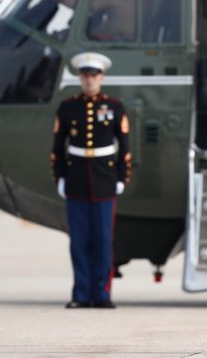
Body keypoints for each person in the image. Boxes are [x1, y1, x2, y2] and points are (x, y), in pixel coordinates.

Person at [50, 52, 131, 309]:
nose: (89, 80)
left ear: (102, 77)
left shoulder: (115, 107)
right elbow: (57, 148)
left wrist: (121, 177)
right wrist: (60, 177)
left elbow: (125, 147)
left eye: (94, 76)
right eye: (85, 76)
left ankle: (102, 294)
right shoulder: (67, 107)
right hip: (76, 182)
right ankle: (81, 294)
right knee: (79, 242)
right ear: (80, 78)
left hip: (104, 182)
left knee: (103, 242)